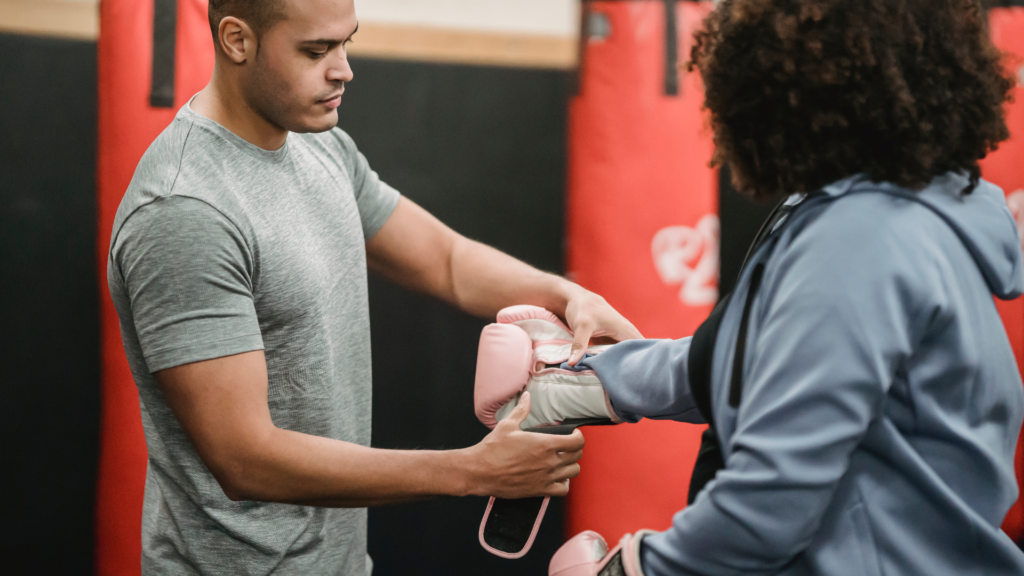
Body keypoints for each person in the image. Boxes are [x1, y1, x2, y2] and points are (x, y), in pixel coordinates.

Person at [105, 0, 642, 573]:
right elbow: (245, 460)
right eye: (316, 51)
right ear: (237, 40)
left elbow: (447, 260)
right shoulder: (185, 212)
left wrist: (569, 296)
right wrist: (472, 471)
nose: (343, 70)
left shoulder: (317, 143)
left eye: (346, 44)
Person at [546, 0, 1024, 574]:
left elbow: (772, 496)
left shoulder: (863, 239)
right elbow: (754, 367)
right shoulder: (874, 212)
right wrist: (597, 381)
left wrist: (642, 567)